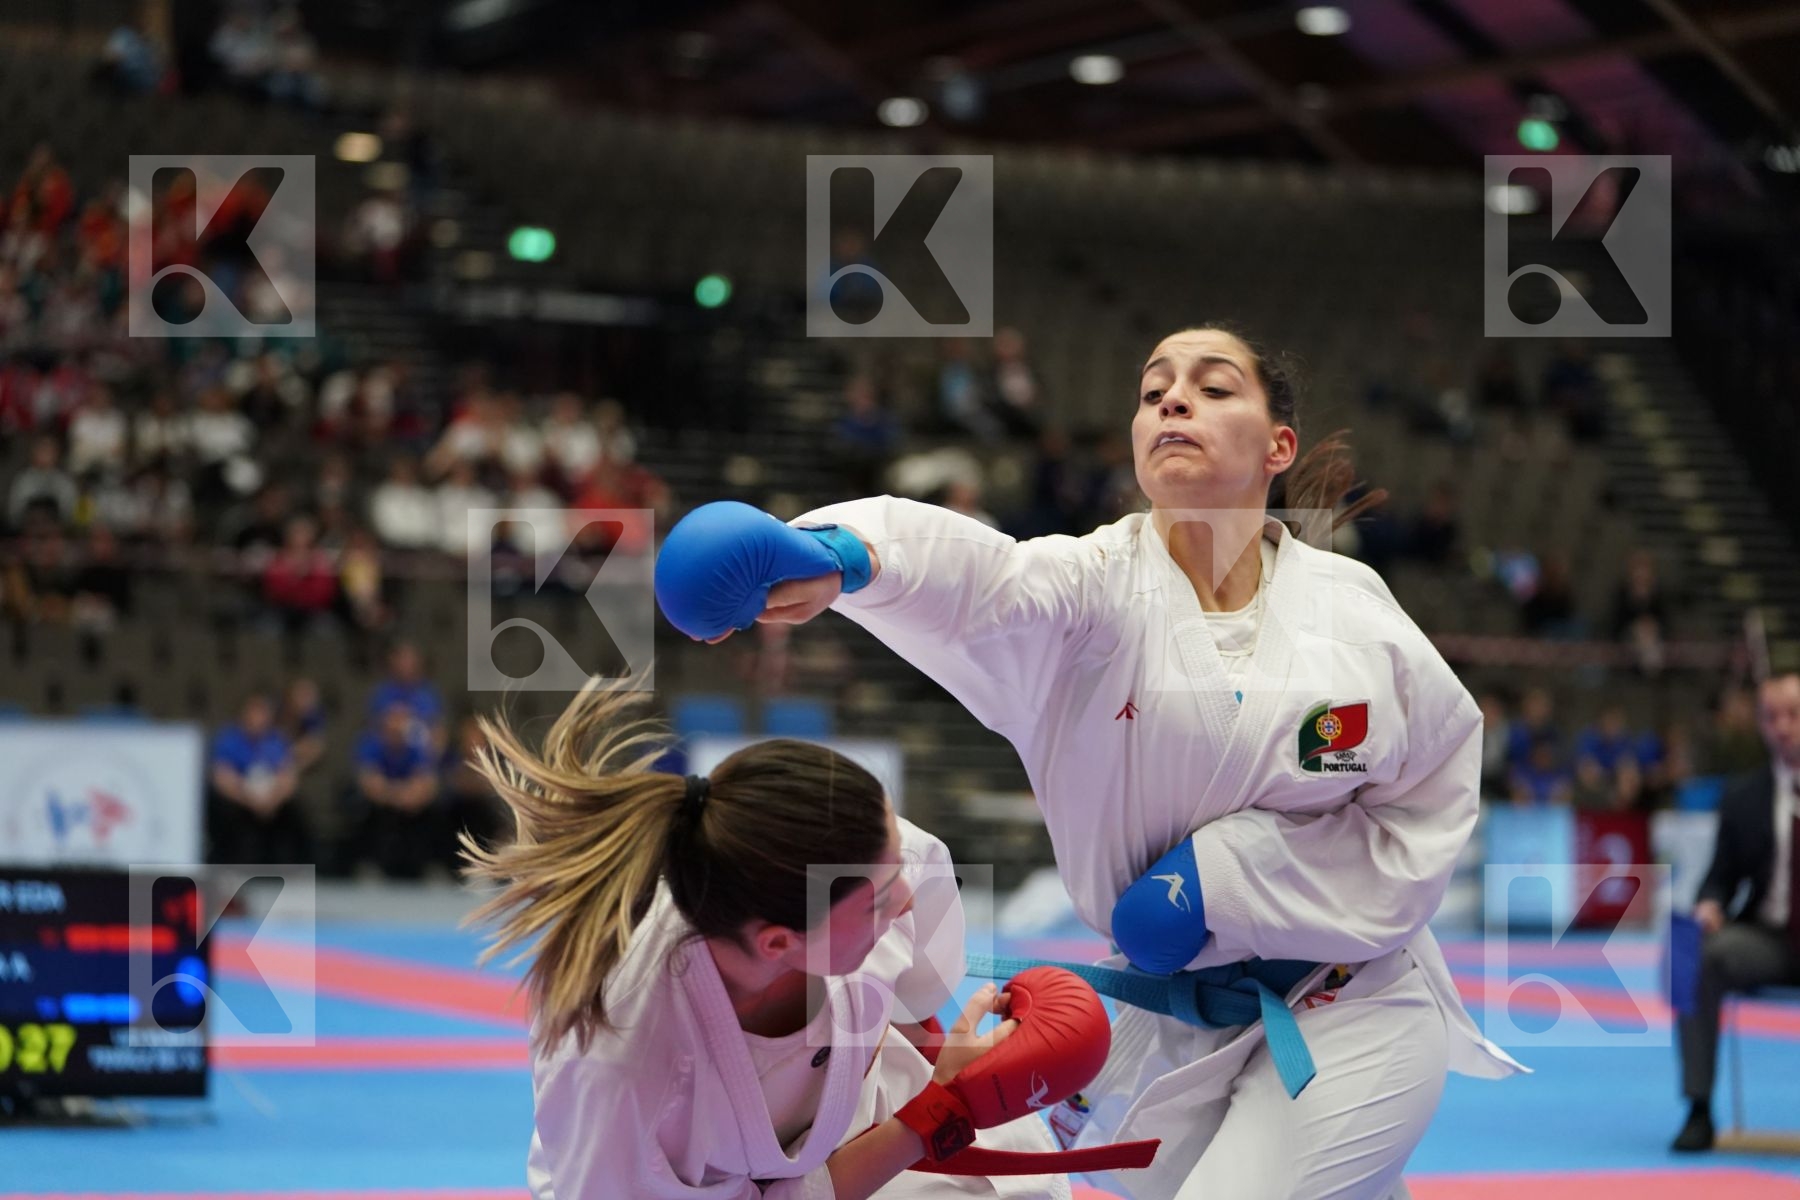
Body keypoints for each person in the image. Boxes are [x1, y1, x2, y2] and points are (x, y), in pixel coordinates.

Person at [657, 325, 1526, 1199]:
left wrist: (1219, 880)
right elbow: (982, 583)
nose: (1173, 401)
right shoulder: (1094, 589)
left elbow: (1428, 801)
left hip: (1352, 1002)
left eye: (1214, 388)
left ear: (1278, 447)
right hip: (1171, 1011)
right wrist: (848, 558)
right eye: (1154, 392)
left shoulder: (1354, 616)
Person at [459, 679, 1075, 1199]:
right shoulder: (621, 1064)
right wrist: (940, 1112)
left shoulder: (878, 861)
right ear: (780, 943)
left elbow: (915, 1009)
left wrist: (950, 1080)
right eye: (883, 900)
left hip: (868, 1133)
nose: (906, 898)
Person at [1672, 672, 1800, 1152]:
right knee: (1692, 953)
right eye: (1772, 717)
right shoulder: (1744, 796)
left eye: (1793, 715)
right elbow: (1720, 876)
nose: (1783, 727)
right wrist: (1709, 904)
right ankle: (1698, 1108)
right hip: (1767, 940)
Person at [209, 693, 311, 865]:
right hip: (240, 800)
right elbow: (222, 778)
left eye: (262, 713)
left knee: (296, 813)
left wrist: (272, 800)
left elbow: (288, 776)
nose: (258, 719)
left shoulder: (276, 740)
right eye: (254, 713)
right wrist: (250, 800)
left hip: (271, 801)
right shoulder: (229, 740)